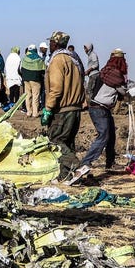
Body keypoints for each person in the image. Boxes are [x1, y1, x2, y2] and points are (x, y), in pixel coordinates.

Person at [44, 31, 86, 180]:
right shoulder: (74, 59)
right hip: (75, 108)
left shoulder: (57, 60)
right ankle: (66, 175)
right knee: (68, 143)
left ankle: (78, 167)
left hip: (62, 109)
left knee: (55, 141)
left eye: (51, 43)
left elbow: (56, 88)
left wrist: (48, 109)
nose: (49, 45)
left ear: (55, 43)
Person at [81, 49, 128, 171]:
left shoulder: (105, 71)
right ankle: (86, 162)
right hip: (99, 108)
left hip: (101, 108)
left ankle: (110, 162)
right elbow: (122, 91)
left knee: (111, 135)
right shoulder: (115, 74)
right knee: (104, 135)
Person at [20, 45, 45, 117]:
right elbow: (43, 70)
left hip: (26, 79)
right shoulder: (38, 59)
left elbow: (21, 69)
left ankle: (29, 112)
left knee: (28, 96)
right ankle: (35, 113)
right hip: (36, 80)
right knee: (35, 96)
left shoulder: (24, 59)